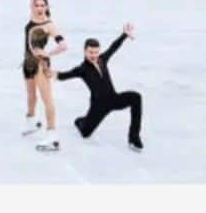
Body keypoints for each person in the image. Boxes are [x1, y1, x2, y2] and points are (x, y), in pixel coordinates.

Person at [54, 24, 144, 152]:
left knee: (136, 97)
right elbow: (65, 75)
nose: (94, 55)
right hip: (98, 106)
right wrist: (53, 74)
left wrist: (124, 35)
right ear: (85, 51)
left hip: (114, 99)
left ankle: (134, 136)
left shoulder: (102, 59)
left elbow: (113, 47)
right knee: (85, 133)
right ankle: (80, 121)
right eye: (90, 52)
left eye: (96, 52)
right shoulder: (82, 69)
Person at [22, 0, 68, 151]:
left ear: (47, 7)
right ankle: (32, 122)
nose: (39, 7)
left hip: (41, 64)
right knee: (31, 95)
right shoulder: (32, 16)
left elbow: (64, 45)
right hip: (28, 61)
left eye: (42, 5)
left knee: (46, 98)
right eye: (37, 4)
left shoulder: (49, 25)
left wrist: (48, 53)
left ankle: (52, 134)